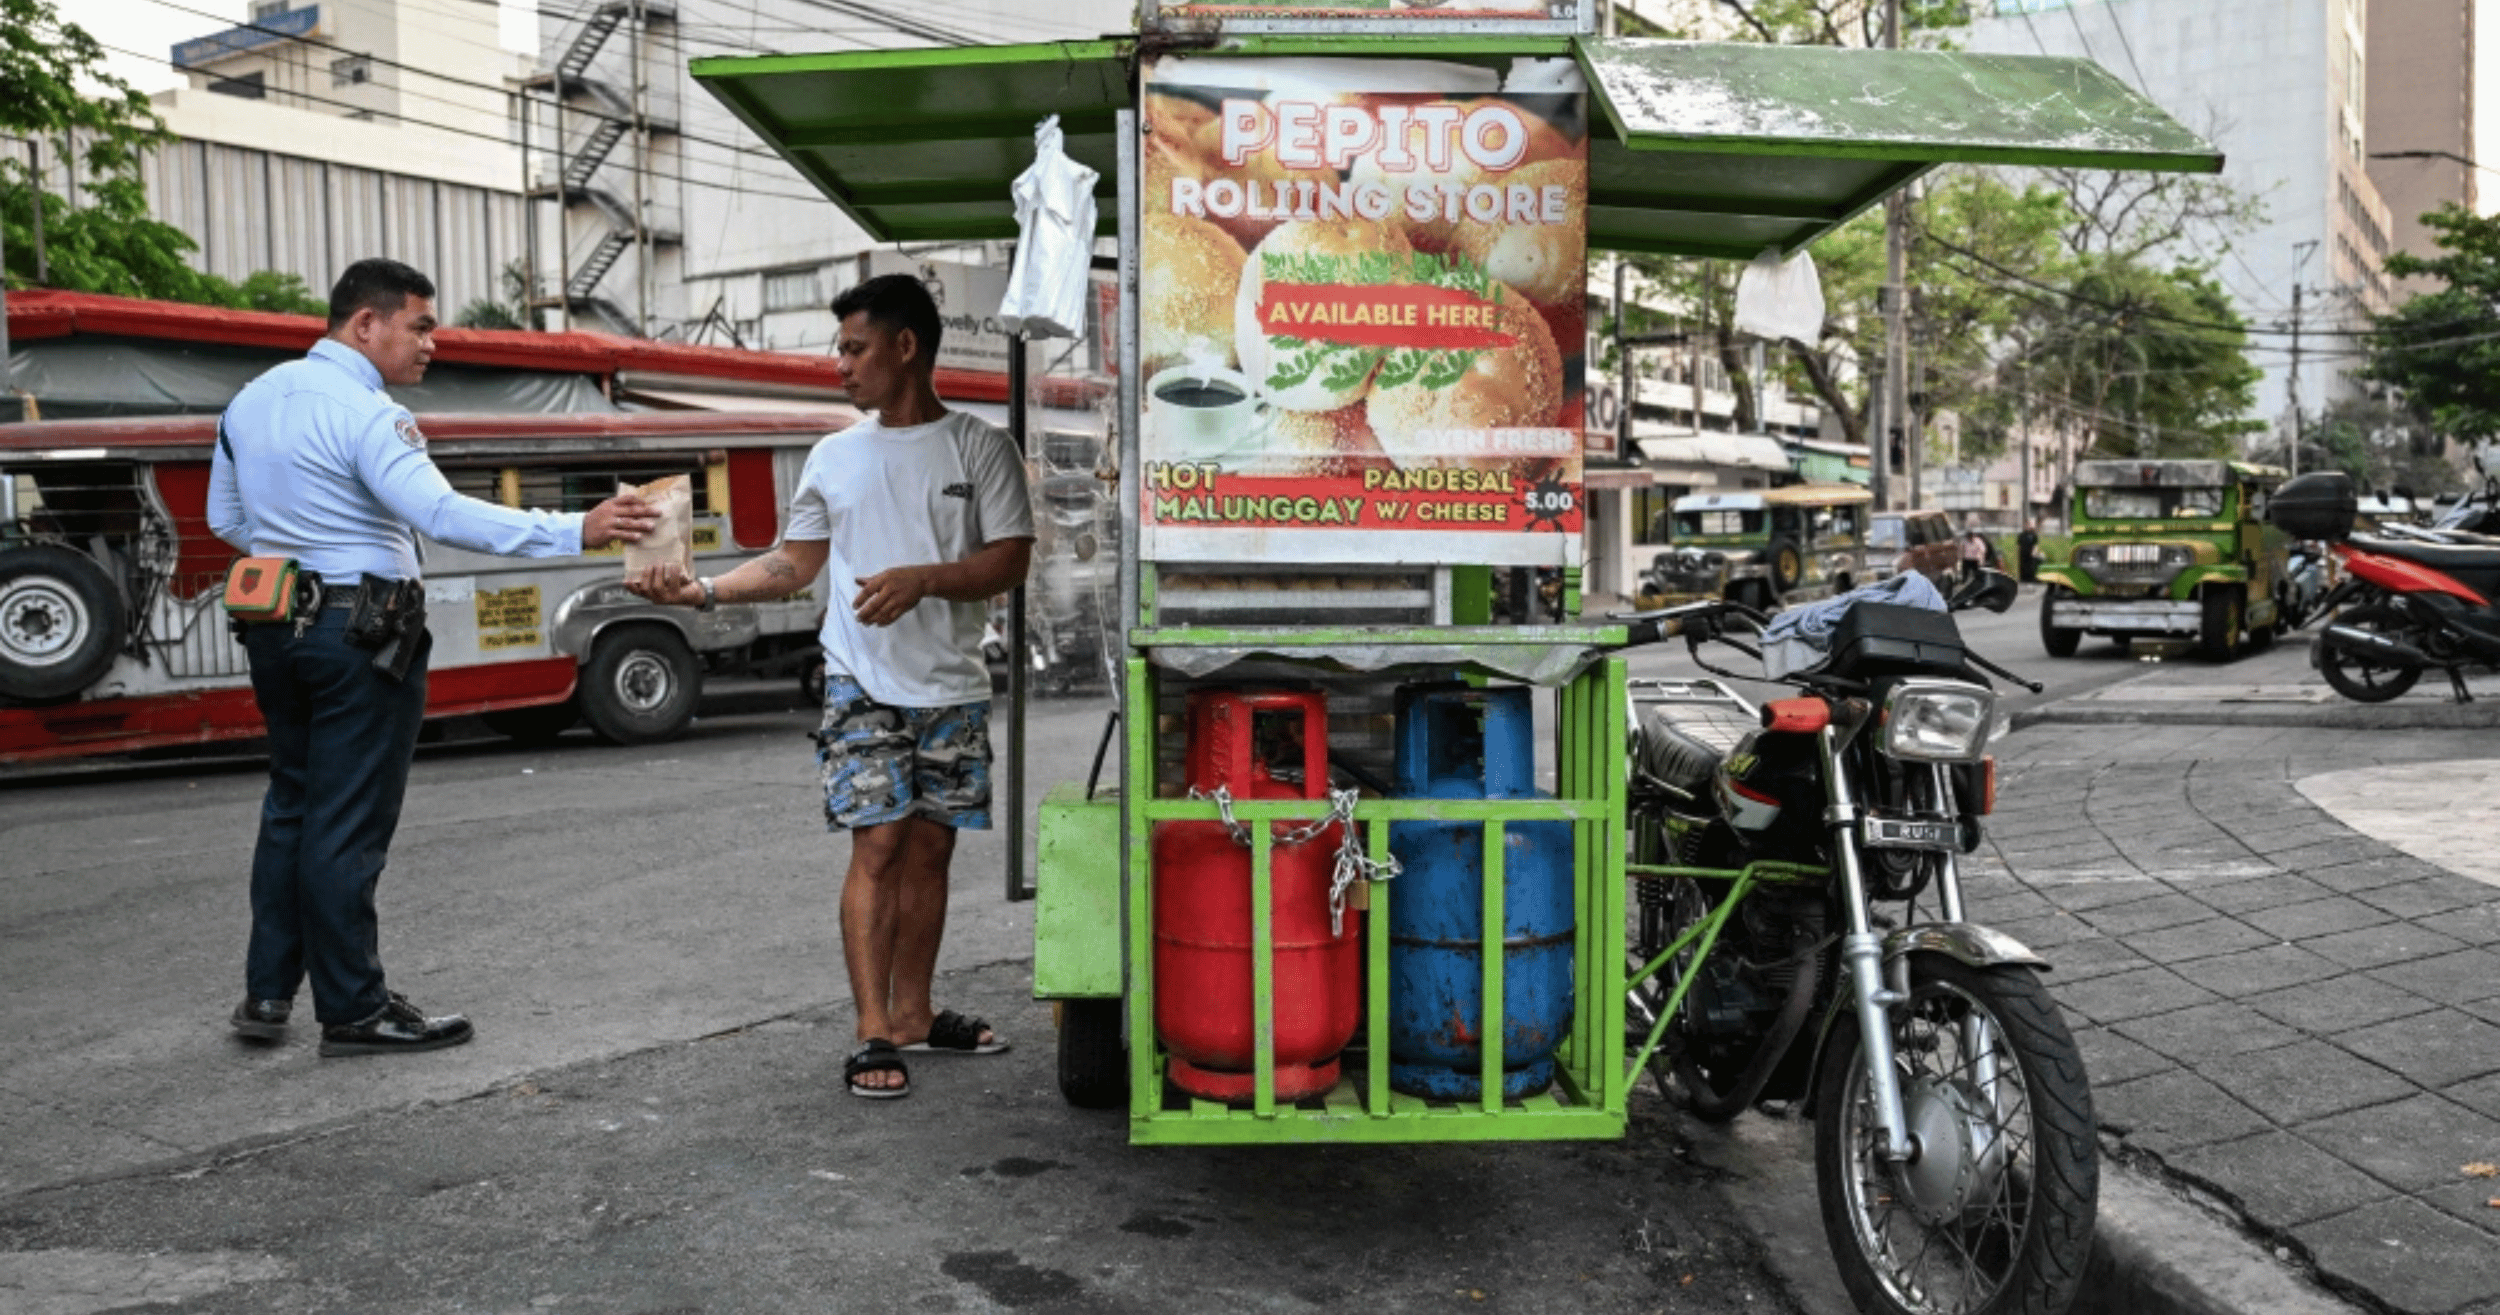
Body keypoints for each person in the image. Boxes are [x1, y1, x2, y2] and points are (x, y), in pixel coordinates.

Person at [210, 258, 656, 1056]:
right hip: (359, 633)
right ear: (366, 324)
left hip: (274, 625)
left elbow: (226, 519)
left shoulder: (249, 401)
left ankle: (267, 993)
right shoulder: (367, 412)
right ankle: (355, 1009)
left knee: (293, 804)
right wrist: (575, 528)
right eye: (419, 327)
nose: (431, 344)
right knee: (347, 821)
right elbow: (440, 513)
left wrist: (303, 549)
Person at [625, 273, 1035, 1100]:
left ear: (905, 346)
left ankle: (914, 1013)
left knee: (932, 847)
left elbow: (1010, 559)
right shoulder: (834, 455)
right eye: (839, 348)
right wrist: (703, 592)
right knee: (878, 842)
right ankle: (872, 1027)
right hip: (860, 679)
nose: (839, 365)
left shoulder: (981, 447)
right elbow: (794, 562)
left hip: (951, 683)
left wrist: (924, 577)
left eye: (854, 348)